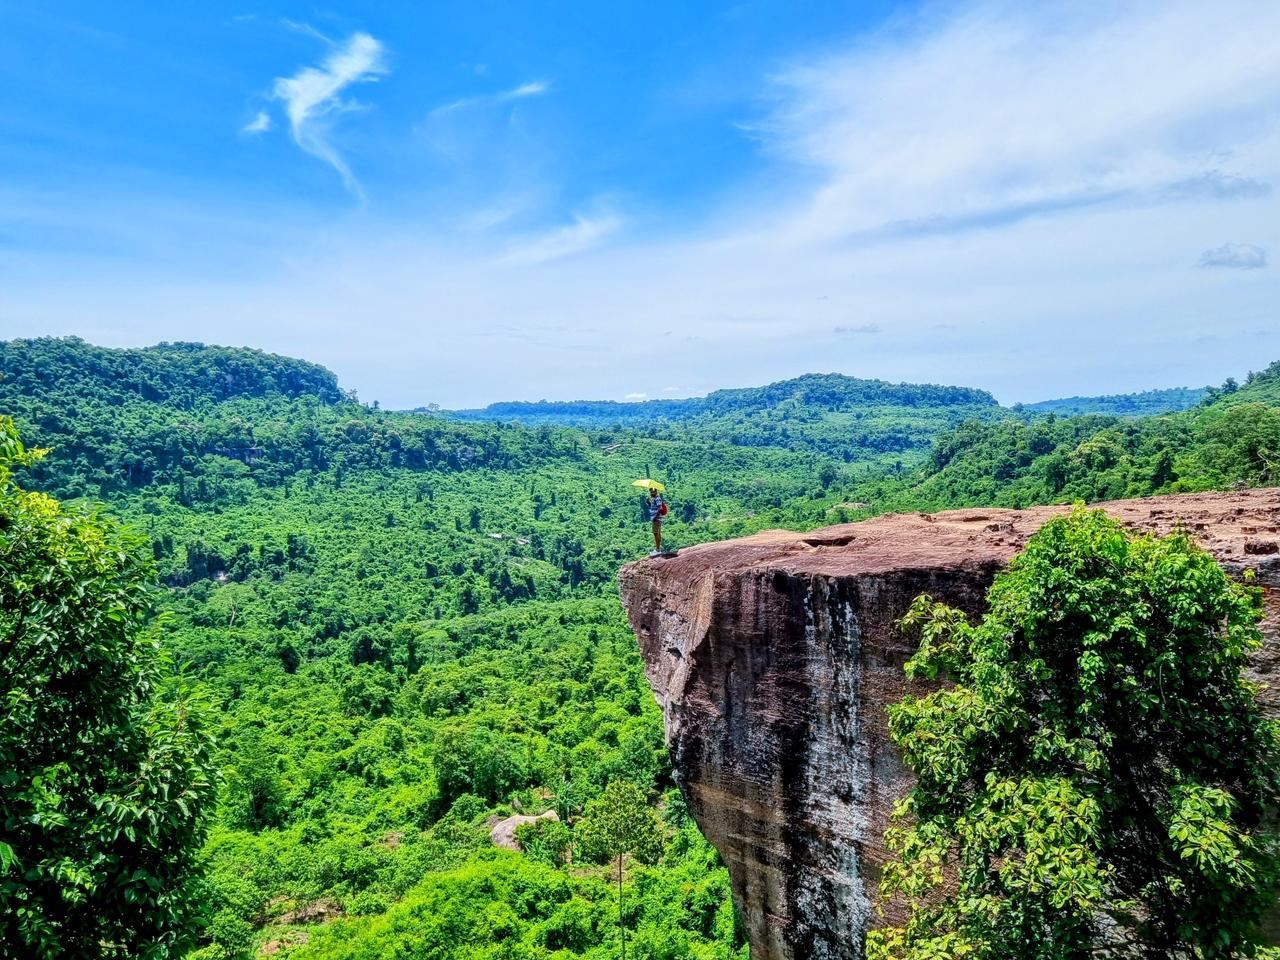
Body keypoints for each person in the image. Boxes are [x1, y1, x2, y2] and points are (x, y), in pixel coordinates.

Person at [643, 486, 666, 555]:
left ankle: (657, 550)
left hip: (656, 518)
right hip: (656, 518)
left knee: (656, 533)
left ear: (656, 492)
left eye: (653, 492)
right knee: (658, 533)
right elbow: (653, 508)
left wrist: (656, 517)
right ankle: (658, 549)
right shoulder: (654, 499)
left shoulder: (657, 498)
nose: (652, 493)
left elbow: (660, 508)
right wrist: (649, 503)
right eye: (651, 492)